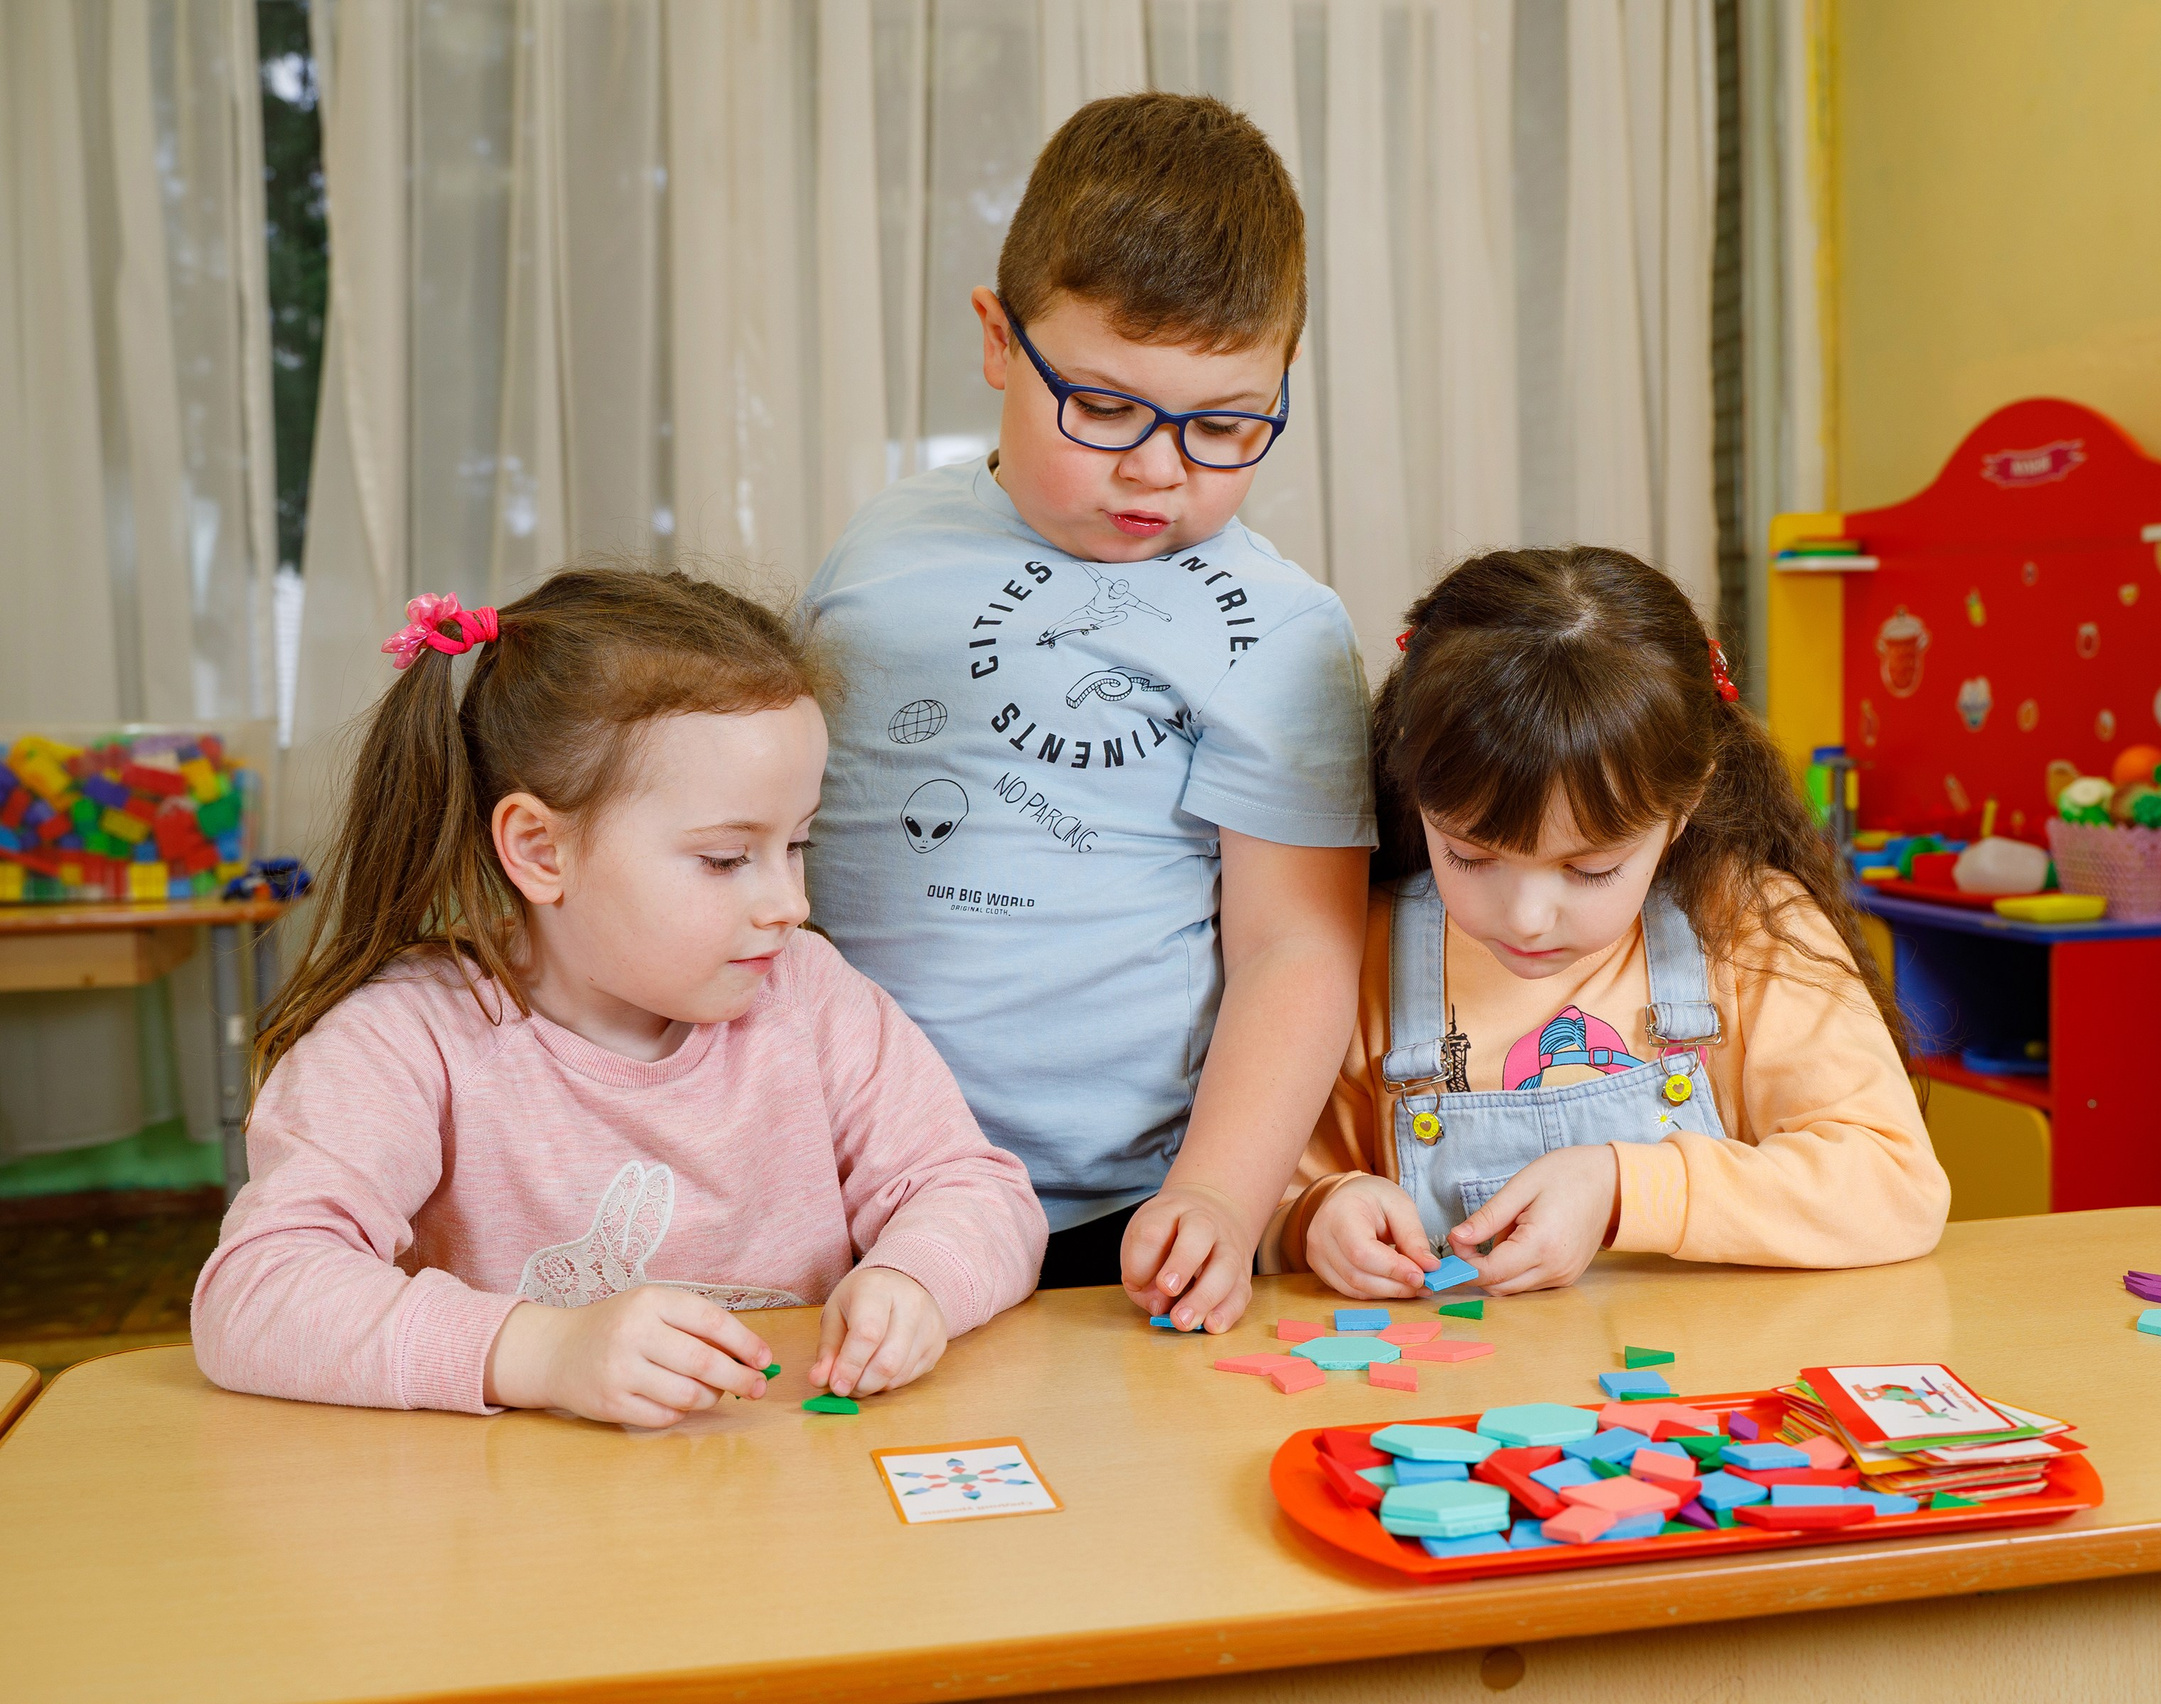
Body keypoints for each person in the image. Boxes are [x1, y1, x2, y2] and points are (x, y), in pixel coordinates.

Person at [192, 567, 1046, 1426]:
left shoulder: (811, 997)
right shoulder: (403, 1040)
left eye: (798, 843)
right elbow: (257, 1291)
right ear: (539, 849)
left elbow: (974, 1190)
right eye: (724, 858)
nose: (792, 903)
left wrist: (916, 1276)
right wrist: (540, 1352)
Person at [803, 93, 1372, 1333]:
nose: (1156, 469)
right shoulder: (880, 548)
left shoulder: (1282, 628)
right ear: (999, 340)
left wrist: (1222, 1197)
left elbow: (1296, 946)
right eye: (1104, 409)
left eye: (1225, 426)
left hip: (1113, 1214)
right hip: (827, 1180)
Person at [1269, 547, 1949, 1297]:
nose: (1527, 918)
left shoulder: (1746, 925)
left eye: (1589, 870)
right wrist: (1320, 1216)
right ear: (1413, 789)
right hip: (1452, 1401)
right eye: (1469, 856)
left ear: (1683, 808)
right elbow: (1267, 1202)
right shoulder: (1360, 951)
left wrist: (1625, 1188)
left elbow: (1897, 1186)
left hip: (1702, 1395)